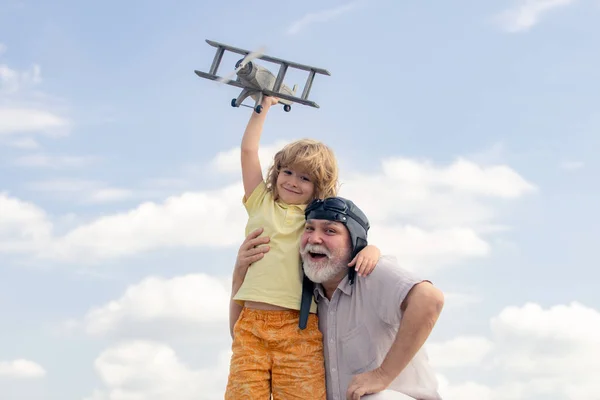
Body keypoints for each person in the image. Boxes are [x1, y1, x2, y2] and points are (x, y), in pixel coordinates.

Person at [225, 97, 381, 400]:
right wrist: (263, 107)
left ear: (319, 186)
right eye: (288, 172)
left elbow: (353, 239)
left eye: (305, 178)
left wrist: (372, 250)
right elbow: (247, 151)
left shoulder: (317, 219)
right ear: (277, 173)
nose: (293, 182)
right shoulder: (260, 202)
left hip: (300, 327)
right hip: (251, 327)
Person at [233, 196, 445, 400]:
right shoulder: (304, 296)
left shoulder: (371, 273)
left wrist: (382, 376)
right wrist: (240, 272)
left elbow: (429, 299)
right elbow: (241, 334)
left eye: (330, 230)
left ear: (354, 242)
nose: (315, 238)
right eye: (309, 228)